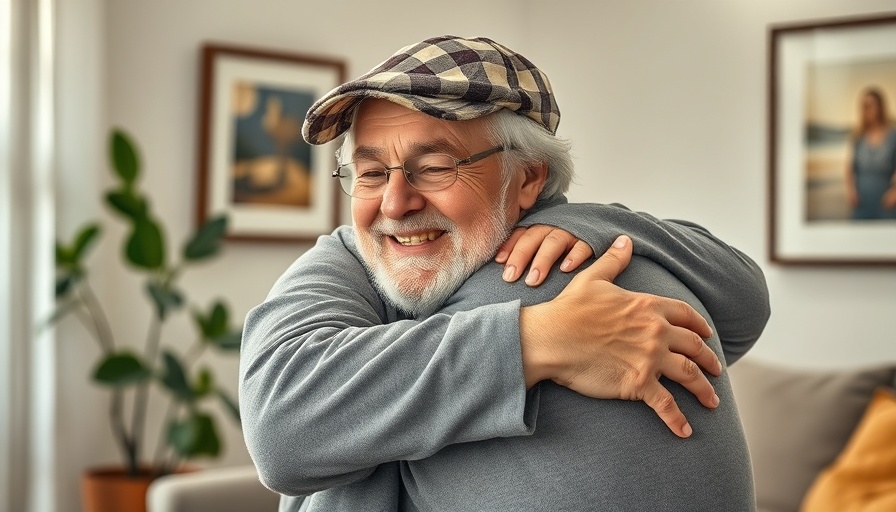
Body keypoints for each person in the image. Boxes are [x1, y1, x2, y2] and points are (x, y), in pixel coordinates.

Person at [239, 35, 770, 511]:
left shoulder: (560, 267)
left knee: (351, 446)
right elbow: (281, 430)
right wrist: (538, 338)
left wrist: (600, 223)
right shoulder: (357, 256)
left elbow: (746, 304)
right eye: (372, 172)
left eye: (435, 166)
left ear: (528, 178)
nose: (395, 204)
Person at [846, 86, 896, 220]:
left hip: (885, 201)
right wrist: (851, 192)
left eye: (871, 105)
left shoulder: (892, 136)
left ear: (880, 107)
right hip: (860, 202)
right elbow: (850, 169)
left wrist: (894, 193)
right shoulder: (858, 137)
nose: (867, 109)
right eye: (864, 106)